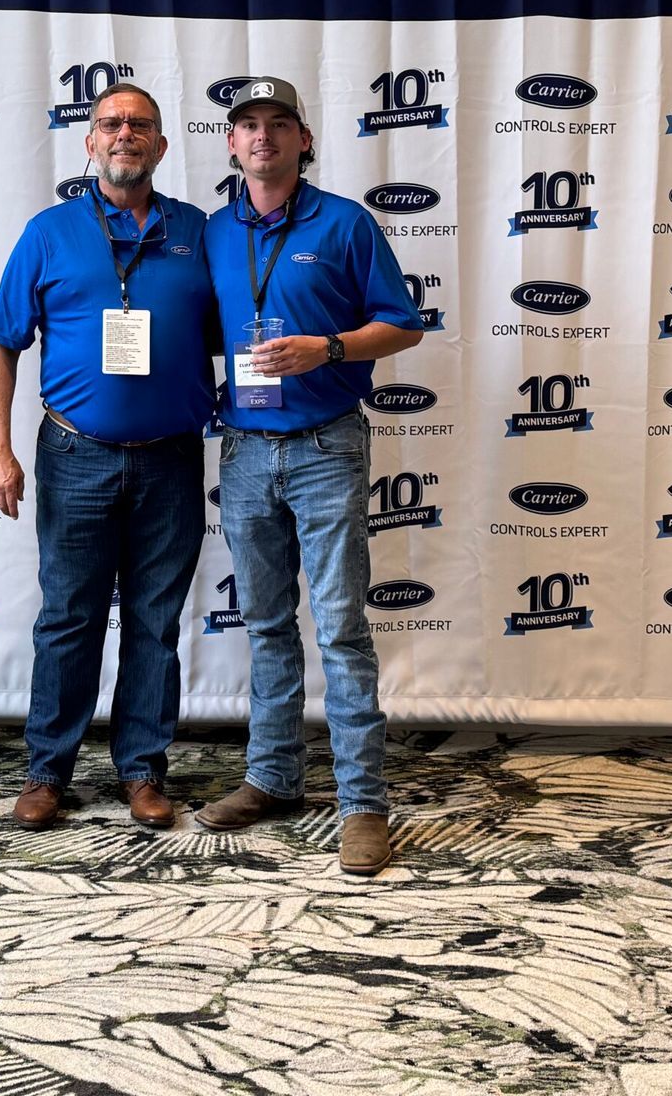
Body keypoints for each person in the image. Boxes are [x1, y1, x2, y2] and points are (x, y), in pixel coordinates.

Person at [196, 77, 426, 876]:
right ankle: (273, 778)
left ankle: (364, 803)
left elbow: (403, 325)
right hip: (245, 448)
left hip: (327, 447)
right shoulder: (211, 232)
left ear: (303, 140)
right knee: (265, 625)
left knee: (340, 627)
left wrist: (326, 347)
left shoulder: (345, 222)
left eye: (279, 124)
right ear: (231, 143)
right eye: (248, 125)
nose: (262, 137)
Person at [0, 82, 217, 831]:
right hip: (74, 457)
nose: (125, 134)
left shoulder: (197, 231)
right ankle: (48, 771)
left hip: (172, 459)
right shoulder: (48, 233)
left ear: (161, 145)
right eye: (111, 123)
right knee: (70, 617)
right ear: (89, 142)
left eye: (140, 125)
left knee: (155, 620)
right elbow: (0, 345)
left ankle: (143, 770)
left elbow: (237, 327)